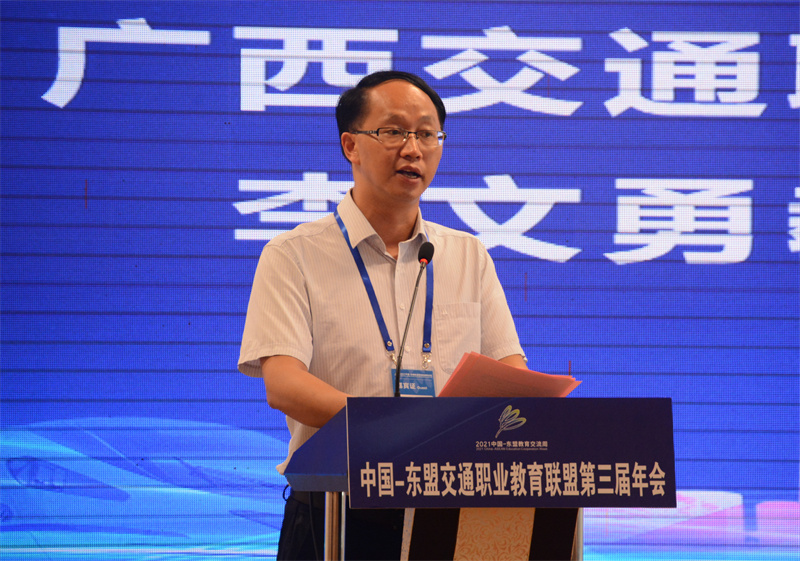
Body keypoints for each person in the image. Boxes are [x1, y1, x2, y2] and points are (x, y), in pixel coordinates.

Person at [238, 70, 526, 560]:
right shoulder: (293, 254)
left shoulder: (467, 255)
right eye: (394, 131)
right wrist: (393, 431)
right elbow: (283, 384)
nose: (413, 149)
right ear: (350, 145)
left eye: (427, 134)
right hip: (336, 513)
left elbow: (509, 374)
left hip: (447, 510)